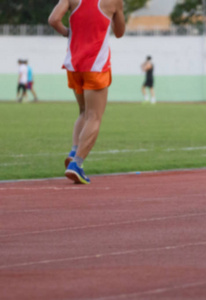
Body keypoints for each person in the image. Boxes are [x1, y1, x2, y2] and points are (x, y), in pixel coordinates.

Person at [48, 0, 125, 184]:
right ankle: (77, 164)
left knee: (83, 111)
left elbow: (53, 20)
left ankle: (75, 151)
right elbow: (119, 33)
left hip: (74, 63)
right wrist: (115, 12)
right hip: (96, 65)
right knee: (94, 116)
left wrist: (68, 33)